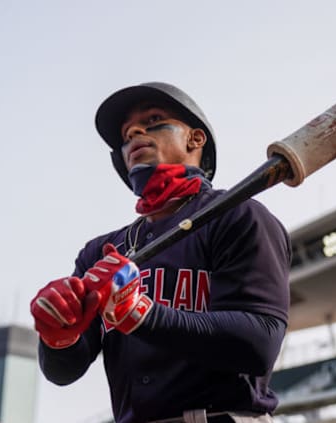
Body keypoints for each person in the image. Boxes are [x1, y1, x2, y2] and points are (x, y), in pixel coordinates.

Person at [30, 82, 291, 423]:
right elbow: (63, 372)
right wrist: (58, 337)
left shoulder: (238, 216)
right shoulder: (101, 252)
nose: (135, 132)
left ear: (194, 139)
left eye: (153, 120)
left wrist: (142, 315)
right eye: (126, 135)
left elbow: (260, 343)